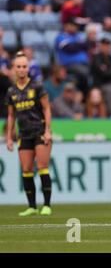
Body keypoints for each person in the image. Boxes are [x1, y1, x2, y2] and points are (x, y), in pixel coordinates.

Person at [5, 52, 53, 216]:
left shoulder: (37, 87)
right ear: (14, 69)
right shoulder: (11, 91)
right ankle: (32, 206)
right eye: (18, 66)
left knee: (42, 167)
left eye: (24, 66)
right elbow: (11, 116)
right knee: (26, 169)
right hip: (23, 134)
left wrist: (47, 130)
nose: (21, 69)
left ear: (28, 68)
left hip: (39, 131)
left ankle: (46, 205)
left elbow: (47, 108)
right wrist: (9, 137)